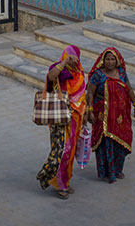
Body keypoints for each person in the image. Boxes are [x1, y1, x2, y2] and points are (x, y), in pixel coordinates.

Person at [37, 45, 87, 199]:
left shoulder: (79, 74)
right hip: (60, 118)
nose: (73, 61)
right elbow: (51, 77)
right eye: (70, 57)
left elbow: (82, 97)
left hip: (76, 118)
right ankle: (52, 179)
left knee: (70, 151)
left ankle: (64, 182)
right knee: (62, 151)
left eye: (74, 58)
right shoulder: (58, 69)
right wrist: (64, 63)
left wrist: (85, 116)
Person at [86, 47, 135, 184]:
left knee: (121, 140)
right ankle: (107, 172)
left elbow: (128, 89)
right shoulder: (98, 75)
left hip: (120, 115)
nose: (110, 62)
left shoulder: (121, 73)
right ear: (102, 61)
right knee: (106, 143)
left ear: (117, 61)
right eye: (107, 59)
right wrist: (90, 110)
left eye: (112, 59)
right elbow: (90, 93)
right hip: (103, 114)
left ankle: (117, 169)